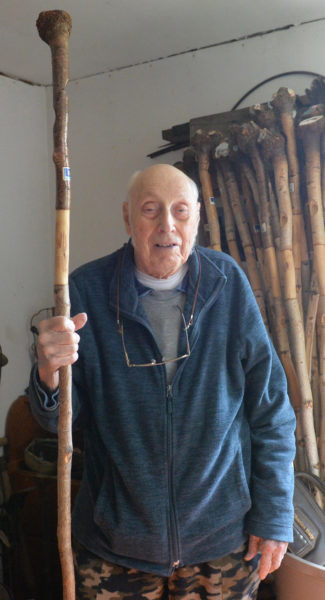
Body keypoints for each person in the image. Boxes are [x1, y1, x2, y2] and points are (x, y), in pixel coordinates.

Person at [29, 164, 296, 599]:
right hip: (115, 550)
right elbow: (55, 425)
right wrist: (47, 374)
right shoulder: (87, 291)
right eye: (150, 210)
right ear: (127, 218)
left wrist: (275, 515)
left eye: (180, 211)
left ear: (196, 219)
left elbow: (271, 411)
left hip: (222, 546)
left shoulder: (226, 284)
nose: (166, 225)